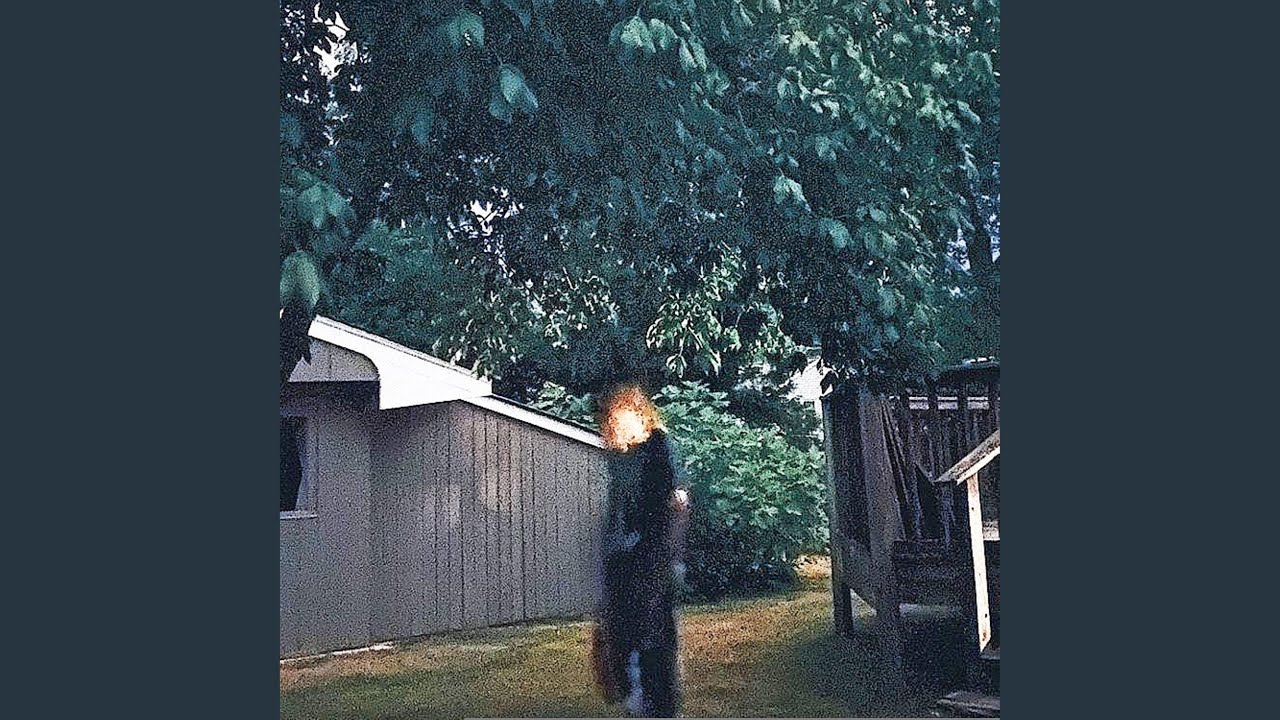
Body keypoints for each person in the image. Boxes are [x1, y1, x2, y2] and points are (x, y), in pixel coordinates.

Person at [591, 386, 690, 718]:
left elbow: (672, 502)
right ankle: (637, 697)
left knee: (653, 635)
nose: (617, 425)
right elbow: (618, 509)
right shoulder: (619, 459)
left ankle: (655, 703)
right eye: (614, 420)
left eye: (623, 418)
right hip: (623, 558)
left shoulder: (657, 448)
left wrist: (667, 555)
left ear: (639, 416)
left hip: (650, 558)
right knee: (623, 634)